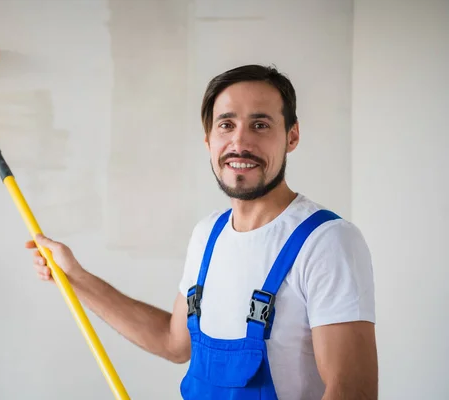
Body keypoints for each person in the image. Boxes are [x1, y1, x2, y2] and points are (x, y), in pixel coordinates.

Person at [25, 65, 378, 399]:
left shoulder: (327, 242)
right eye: (226, 125)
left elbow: (353, 392)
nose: (240, 142)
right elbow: (173, 342)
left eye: (260, 125)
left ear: (292, 136)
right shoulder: (208, 234)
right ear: (208, 138)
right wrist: (75, 277)